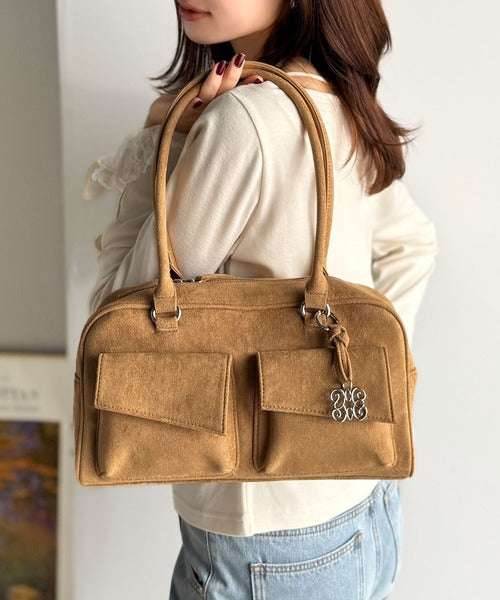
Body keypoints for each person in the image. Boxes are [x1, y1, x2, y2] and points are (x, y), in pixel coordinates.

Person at [83, 1, 439, 598]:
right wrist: (362, 380)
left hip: (265, 545)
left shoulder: (242, 121)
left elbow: (118, 316)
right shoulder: (336, 98)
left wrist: (165, 137)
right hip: (364, 497)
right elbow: (414, 243)